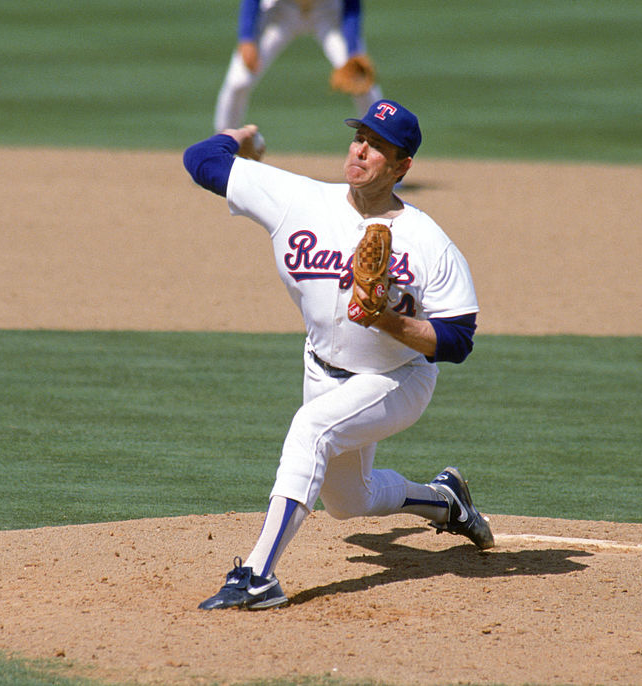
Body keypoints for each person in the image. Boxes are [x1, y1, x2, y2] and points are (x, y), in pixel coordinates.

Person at [183, 99, 494, 611]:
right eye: (358, 139)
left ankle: (258, 576)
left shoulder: (428, 241)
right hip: (322, 369)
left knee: (311, 429)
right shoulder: (298, 199)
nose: (361, 151)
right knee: (349, 502)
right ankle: (445, 501)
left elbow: (458, 340)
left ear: (402, 166)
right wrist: (241, 138)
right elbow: (202, 161)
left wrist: (386, 320)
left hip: (396, 379)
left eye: (377, 147)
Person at [214, 0, 383, 132]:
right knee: (239, 81)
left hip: (327, 12)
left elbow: (351, 4)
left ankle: (386, 158)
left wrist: (353, 50)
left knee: (362, 83)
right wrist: (247, 38)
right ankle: (221, 151)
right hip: (281, 11)